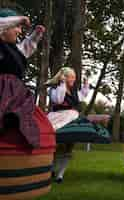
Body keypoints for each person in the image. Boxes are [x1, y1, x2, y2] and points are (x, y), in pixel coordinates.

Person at [0, 8, 55, 199]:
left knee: (26, 125)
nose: (19, 31)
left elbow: (27, 47)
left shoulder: (15, 49)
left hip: (17, 94)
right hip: (2, 92)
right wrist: (20, 19)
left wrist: (36, 35)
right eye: (15, 27)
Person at [46, 67, 111, 183]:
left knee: (69, 146)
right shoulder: (54, 89)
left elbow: (82, 95)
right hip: (58, 118)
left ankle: (60, 174)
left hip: (72, 117)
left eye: (74, 77)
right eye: (71, 77)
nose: (74, 79)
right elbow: (59, 100)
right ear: (64, 77)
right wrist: (61, 84)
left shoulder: (74, 91)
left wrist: (86, 85)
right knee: (58, 146)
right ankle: (52, 169)